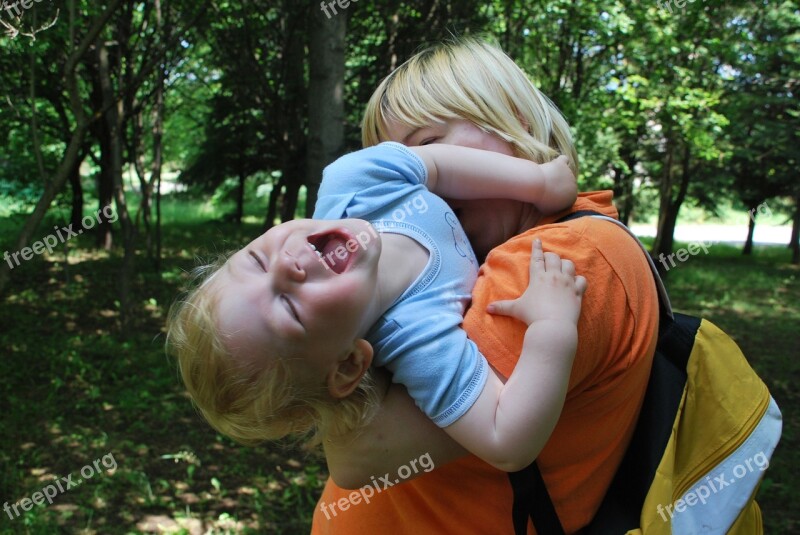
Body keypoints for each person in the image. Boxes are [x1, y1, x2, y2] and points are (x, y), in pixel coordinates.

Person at [311, 38, 660, 534]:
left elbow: (357, 453)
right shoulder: (503, 252)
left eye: (428, 146)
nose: (417, 185)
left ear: (514, 120)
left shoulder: (558, 260)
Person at [166, 140, 587, 480]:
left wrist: (537, 183)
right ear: (349, 365)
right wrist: (552, 328)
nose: (285, 266)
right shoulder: (416, 338)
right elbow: (506, 442)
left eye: (257, 259)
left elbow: (437, 165)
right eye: (290, 309)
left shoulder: (353, 183)